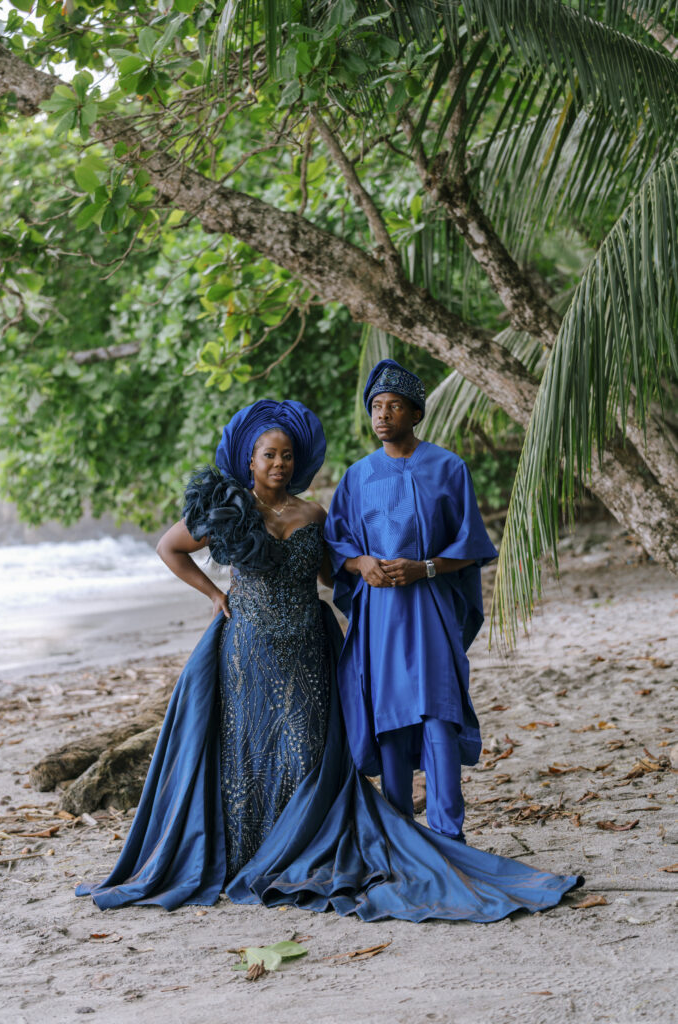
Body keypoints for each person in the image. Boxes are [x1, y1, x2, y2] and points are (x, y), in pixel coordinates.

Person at [77, 397, 581, 921]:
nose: (279, 464)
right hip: (247, 646)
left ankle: (302, 849)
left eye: (287, 455)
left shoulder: (314, 513)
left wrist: (375, 570)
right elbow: (169, 548)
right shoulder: (228, 507)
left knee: (305, 750)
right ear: (249, 460)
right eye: (269, 455)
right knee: (247, 750)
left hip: (308, 646)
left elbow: (330, 575)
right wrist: (212, 594)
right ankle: (251, 853)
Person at [324, 359, 498, 840]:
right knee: (391, 716)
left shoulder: (448, 468)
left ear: (415, 414)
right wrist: (363, 565)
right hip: (380, 613)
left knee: (438, 708)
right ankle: (400, 830)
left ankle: (448, 832)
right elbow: (337, 544)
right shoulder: (358, 477)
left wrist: (424, 567)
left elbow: (470, 545)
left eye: (393, 406)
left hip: (431, 608)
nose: (382, 415)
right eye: (376, 407)